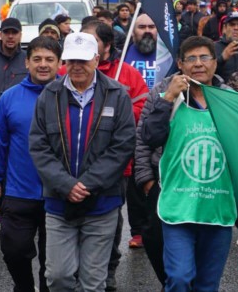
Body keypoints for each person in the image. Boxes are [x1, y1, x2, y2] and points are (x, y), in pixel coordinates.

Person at [29, 32, 136, 292]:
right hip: (58, 202)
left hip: (102, 202)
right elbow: (38, 145)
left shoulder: (117, 94)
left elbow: (122, 146)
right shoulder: (49, 95)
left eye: (84, 60)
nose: (77, 66)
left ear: (97, 59)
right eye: (71, 60)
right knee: (58, 277)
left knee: (93, 282)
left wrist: (87, 184)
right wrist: (66, 184)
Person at [140, 36, 237, 292]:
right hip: (178, 207)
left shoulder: (232, 100)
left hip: (217, 207)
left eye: (204, 57)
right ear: (180, 64)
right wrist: (167, 98)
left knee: (208, 285)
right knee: (180, 278)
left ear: (215, 63)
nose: (198, 64)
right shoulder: (167, 96)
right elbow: (149, 137)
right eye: (191, 59)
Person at [0, 36, 61, 292]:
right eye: (37, 59)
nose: (43, 65)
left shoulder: (69, 97)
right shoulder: (9, 98)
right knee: (14, 251)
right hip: (18, 192)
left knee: (54, 264)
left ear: (59, 63)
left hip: (58, 195)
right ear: (26, 62)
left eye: (49, 59)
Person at [79, 21, 149, 288]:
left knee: (108, 223)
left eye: (92, 41)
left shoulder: (128, 75)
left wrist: (109, 117)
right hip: (73, 166)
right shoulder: (67, 72)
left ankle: (107, 274)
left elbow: (141, 113)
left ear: (106, 46)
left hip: (115, 167)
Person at [124, 12, 159, 89]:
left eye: (151, 27)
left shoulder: (169, 57)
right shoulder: (120, 56)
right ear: (132, 32)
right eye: (142, 27)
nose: (147, 31)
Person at [214, 11, 238, 82]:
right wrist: (222, 58)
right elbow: (207, 72)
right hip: (222, 91)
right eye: (232, 25)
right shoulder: (214, 47)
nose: (236, 28)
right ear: (225, 28)